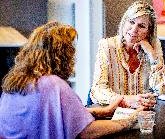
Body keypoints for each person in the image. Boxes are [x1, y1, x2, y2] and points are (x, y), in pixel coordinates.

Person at [0, 21, 137, 138]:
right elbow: (88, 132)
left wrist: (104, 111)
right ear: (61, 54)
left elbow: (52, 116)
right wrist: (130, 121)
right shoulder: (53, 85)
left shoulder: (16, 82)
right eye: (70, 49)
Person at [90, 1, 165, 109]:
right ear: (124, 22)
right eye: (131, 22)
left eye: (141, 26)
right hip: (114, 114)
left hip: (145, 115)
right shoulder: (107, 46)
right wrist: (125, 100)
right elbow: (97, 90)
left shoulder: (154, 46)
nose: (134, 30)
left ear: (148, 31)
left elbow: (162, 89)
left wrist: (152, 55)